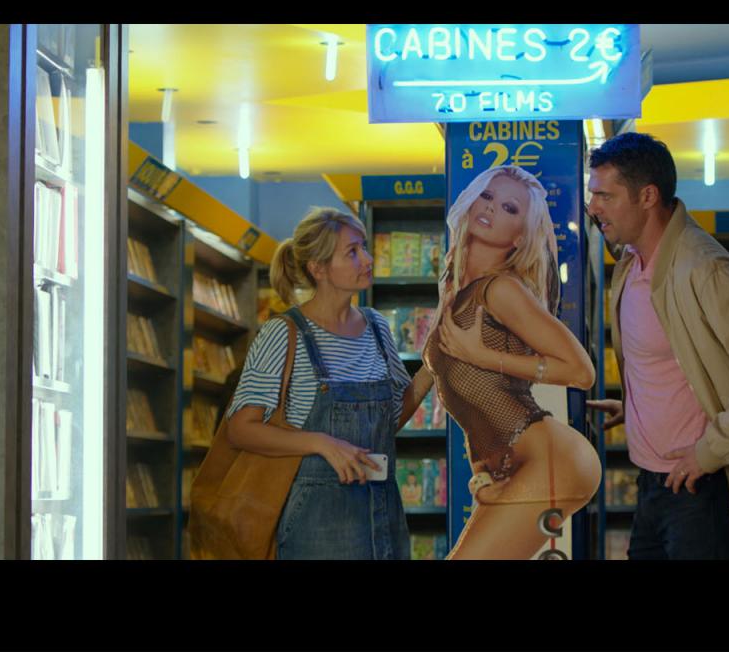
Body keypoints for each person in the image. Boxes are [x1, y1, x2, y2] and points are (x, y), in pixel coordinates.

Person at [585, 132, 729, 560]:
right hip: (654, 481)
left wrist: (712, 450)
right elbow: (677, 359)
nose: (593, 208)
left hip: (701, 487)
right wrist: (636, 404)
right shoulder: (631, 262)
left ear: (648, 196)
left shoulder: (703, 267)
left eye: (605, 196)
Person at [415, 165, 600, 560]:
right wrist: (482, 471)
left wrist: (483, 356)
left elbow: (581, 371)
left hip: (551, 459)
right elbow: (470, 397)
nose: (491, 207)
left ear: (520, 237)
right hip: (512, 466)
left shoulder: (500, 290)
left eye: (509, 207)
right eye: (486, 196)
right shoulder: (457, 291)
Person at [224, 207, 428, 559]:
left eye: (364, 247)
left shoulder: (378, 328)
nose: (368, 259)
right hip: (316, 525)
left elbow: (389, 421)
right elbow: (240, 429)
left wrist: (432, 369)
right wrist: (321, 442)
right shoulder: (283, 333)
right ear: (318, 269)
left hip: (383, 515)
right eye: (352, 252)